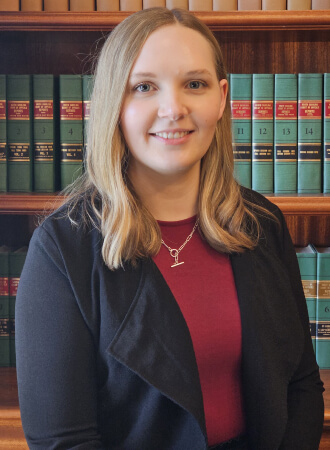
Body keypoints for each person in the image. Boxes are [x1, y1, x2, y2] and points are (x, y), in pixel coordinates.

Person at [15, 7, 324, 450]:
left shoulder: (261, 224)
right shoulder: (63, 249)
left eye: (193, 84)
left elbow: (301, 385)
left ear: (221, 99)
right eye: (144, 87)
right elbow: (63, 441)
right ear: (114, 106)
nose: (173, 108)